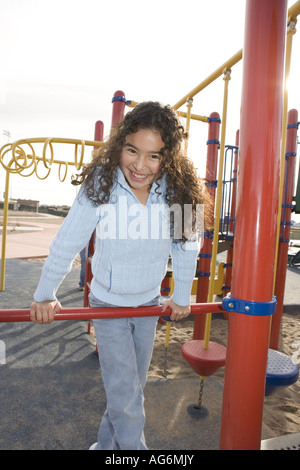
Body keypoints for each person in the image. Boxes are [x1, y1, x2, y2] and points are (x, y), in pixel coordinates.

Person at [30, 101, 211, 450]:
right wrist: (44, 294)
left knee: (128, 390)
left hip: (148, 305)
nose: (140, 165)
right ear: (120, 146)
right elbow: (69, 240)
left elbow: (187, 246)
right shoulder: (101, 184)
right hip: (108, 306)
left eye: (154, 156)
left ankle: (105, 448)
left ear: (169, 157)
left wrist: (182, 295)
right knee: (127, 397)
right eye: (132, 150)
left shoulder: (180, 190)